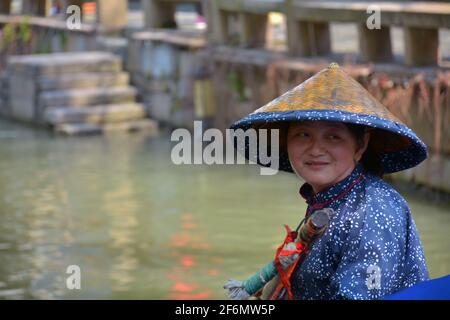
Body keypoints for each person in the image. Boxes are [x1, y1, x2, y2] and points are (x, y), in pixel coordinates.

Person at [224, 63, 429, 300]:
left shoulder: (373, 209)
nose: (316, 149)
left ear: (360, 145)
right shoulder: (328, 199)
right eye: (303, 135)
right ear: (286, 141)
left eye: (333, 137)